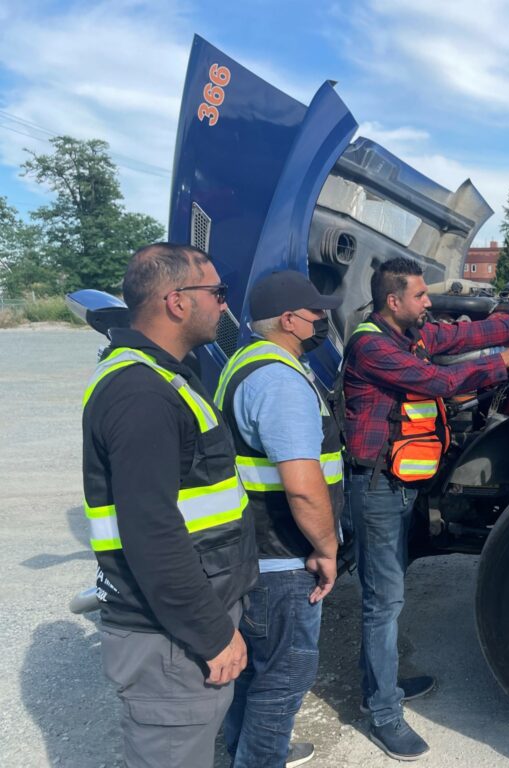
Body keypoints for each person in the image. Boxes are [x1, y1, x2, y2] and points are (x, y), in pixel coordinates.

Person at [342, 255, 509, 760]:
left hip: (401, 483)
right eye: (421, 296)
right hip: (377, 488)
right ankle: (382, 712)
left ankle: (380, 685)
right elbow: (439, 381)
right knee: (384, 600)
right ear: (392, 301)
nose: (429, 303)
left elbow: (465, 337)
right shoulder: (371, 345)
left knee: (388, 592)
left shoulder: (410, 333)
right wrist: (502, 363)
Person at [81, 243, 257, 768]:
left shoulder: (162, 377)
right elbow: (152, 531)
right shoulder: (141, 392)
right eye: (217, 293)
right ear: (177, 301)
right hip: (171, 639)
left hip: (180, 629)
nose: (224, 306)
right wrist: (212, 633)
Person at [217, 270, 344, 767]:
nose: (322, 322)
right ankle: (258, 758)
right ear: (290, 321)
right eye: (317, 315)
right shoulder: (280, 380)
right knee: (283, 676)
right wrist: (327, 547)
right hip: (283, 558)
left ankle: (244, 751)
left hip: (255, 552)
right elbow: (301, 482)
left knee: (253, 672)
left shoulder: (244, 362)